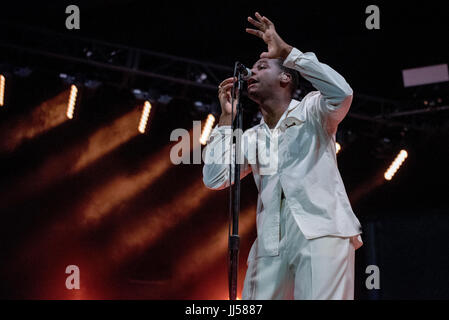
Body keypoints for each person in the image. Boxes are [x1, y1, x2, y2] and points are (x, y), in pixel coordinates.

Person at [202, 12, 363, 300]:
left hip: (322, 230)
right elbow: (215, 178)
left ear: (286, 76)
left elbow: (342, 92)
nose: (251, 73)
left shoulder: (312, 110)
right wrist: (227, 119)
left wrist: (288, 52)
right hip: (269, 243)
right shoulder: (251, 137)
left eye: (262, 66)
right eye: (252, 68)